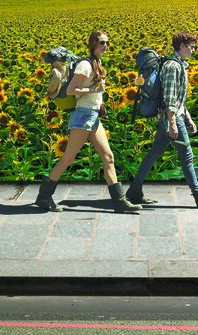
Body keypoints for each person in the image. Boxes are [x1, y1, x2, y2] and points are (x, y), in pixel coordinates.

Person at [34, 30, 141, 213]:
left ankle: (120, 202)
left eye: (107, 43)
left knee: (108, 157)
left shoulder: (97, 63)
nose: (105, 46)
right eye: (102, 42)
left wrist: (99, 100)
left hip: (93, 115)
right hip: (83, 115)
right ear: (93, 44)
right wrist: (93, 91)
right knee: (68, 158)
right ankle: (44, 196)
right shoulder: (85, 64)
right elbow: (71, 90)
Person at [126, 31, 198, 208]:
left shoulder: (179, 65)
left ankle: (134, 190)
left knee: (154, 153)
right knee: (187, 155)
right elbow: (170, 98)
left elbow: (180, 99)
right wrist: (173, 123)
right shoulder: (173, 67)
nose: (193, 50)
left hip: (172, 117)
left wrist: (188, 119)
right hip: (171, 118)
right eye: (191, 47)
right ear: (182, 46)